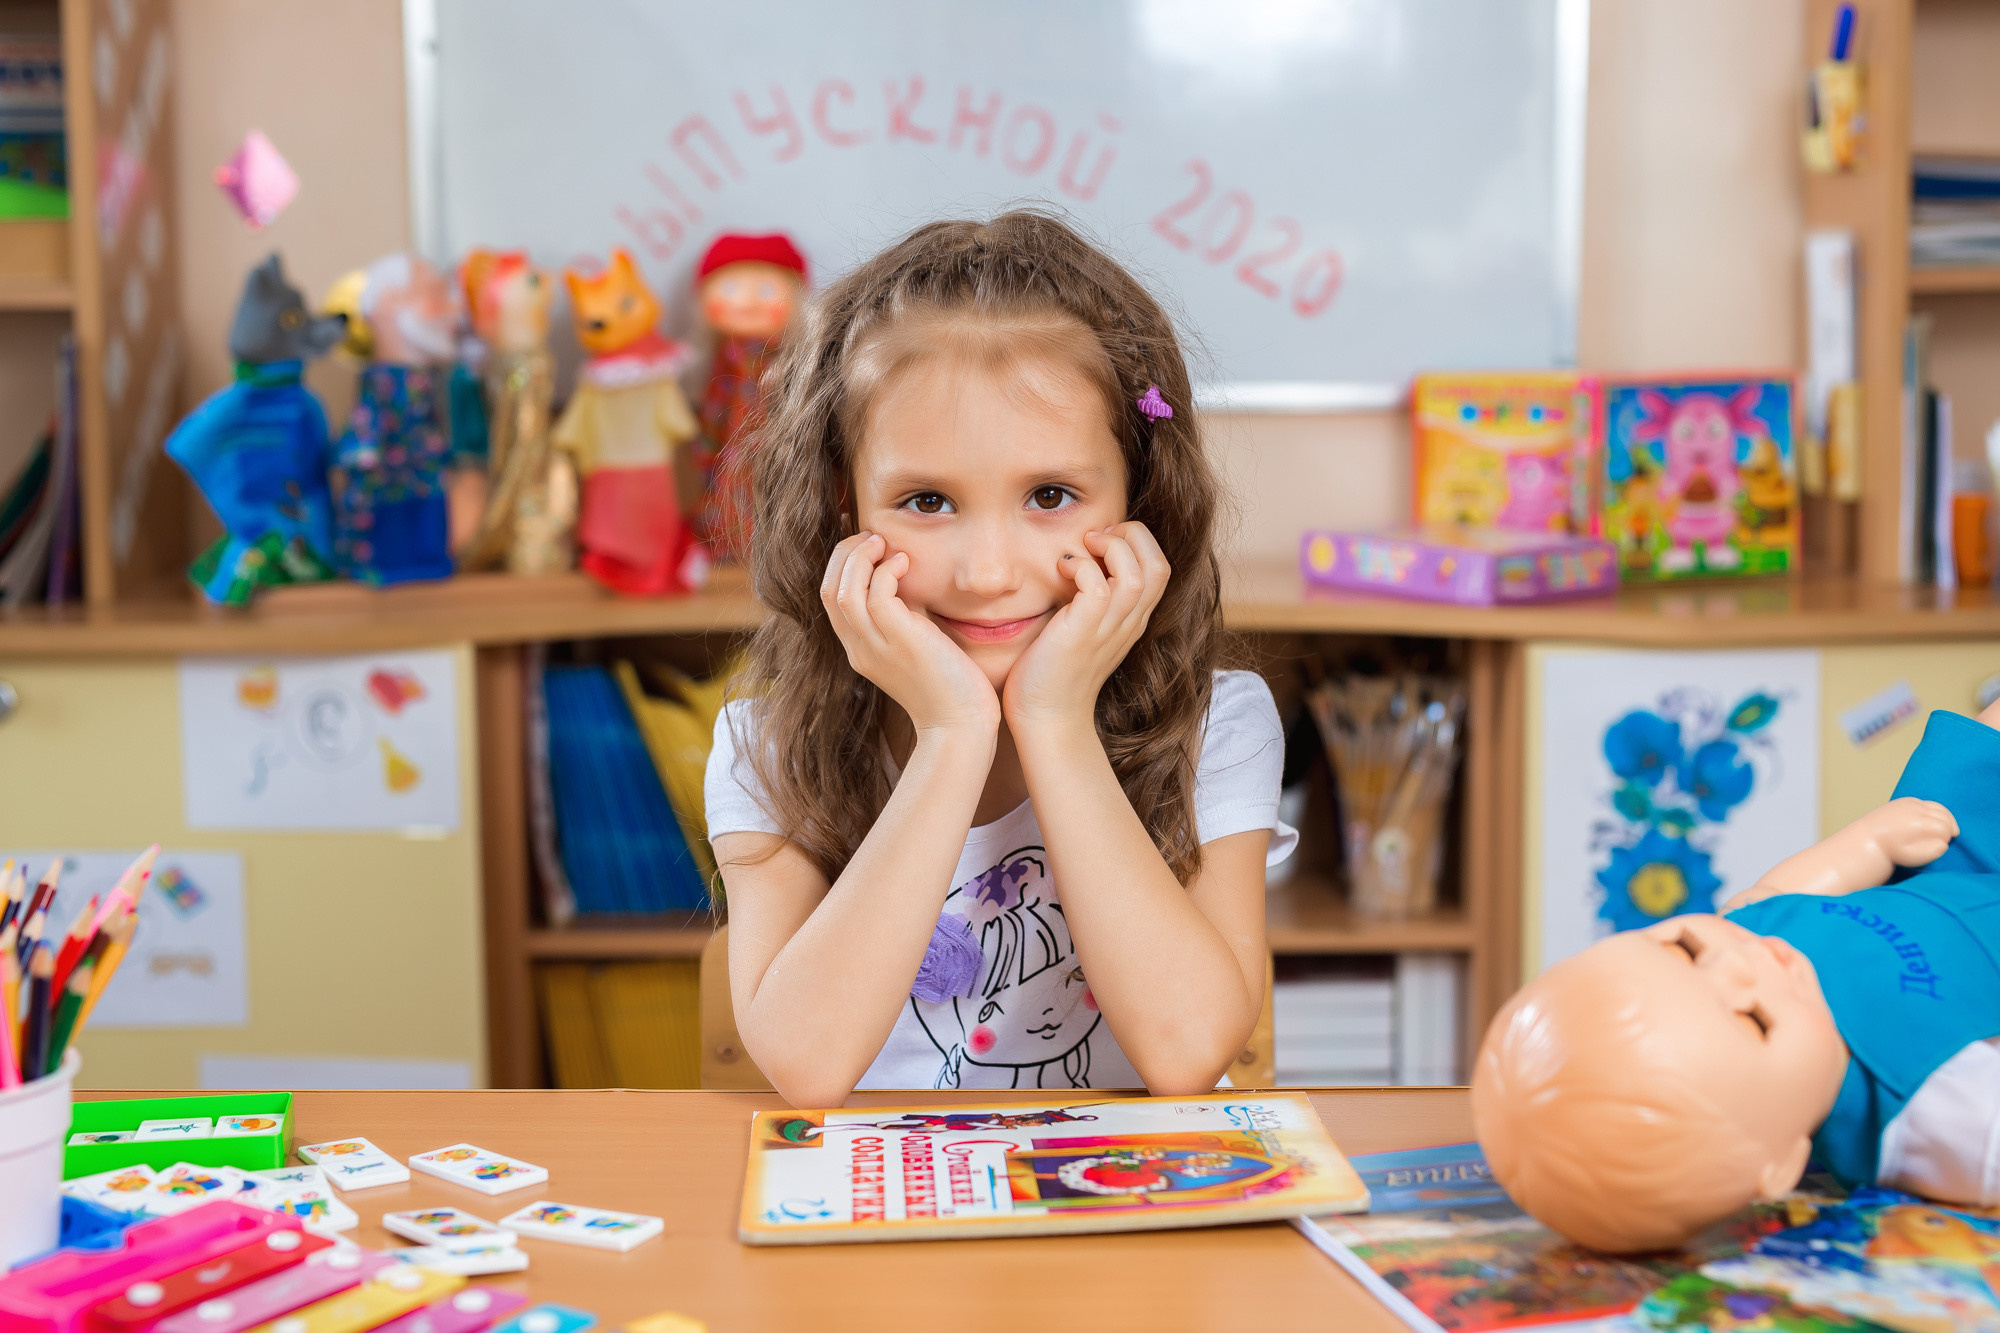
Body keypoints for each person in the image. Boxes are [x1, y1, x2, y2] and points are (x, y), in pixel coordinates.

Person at [704, 211, 1295, 1106]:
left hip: (1120, 1218)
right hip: (878, 1222)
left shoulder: (1222, 726)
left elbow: (1186, 1055)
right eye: (927, 499)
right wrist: (951, 734)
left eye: (1050, 495)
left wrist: (1053, 722)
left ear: (1142, 492)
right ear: (841, 505)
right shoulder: (769, 744)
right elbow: (807, 1065)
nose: (987, 575)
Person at [1473, 701, 2000, 1254]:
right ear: (1782, 1165)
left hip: (1953, 870)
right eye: (1755, 1021)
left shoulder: (1744, 940)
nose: (1743, 964)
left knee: (1971, 755)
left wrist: (1868, 844)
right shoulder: (1932, 1118)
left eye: (1685, 949)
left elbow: (1774, 896)